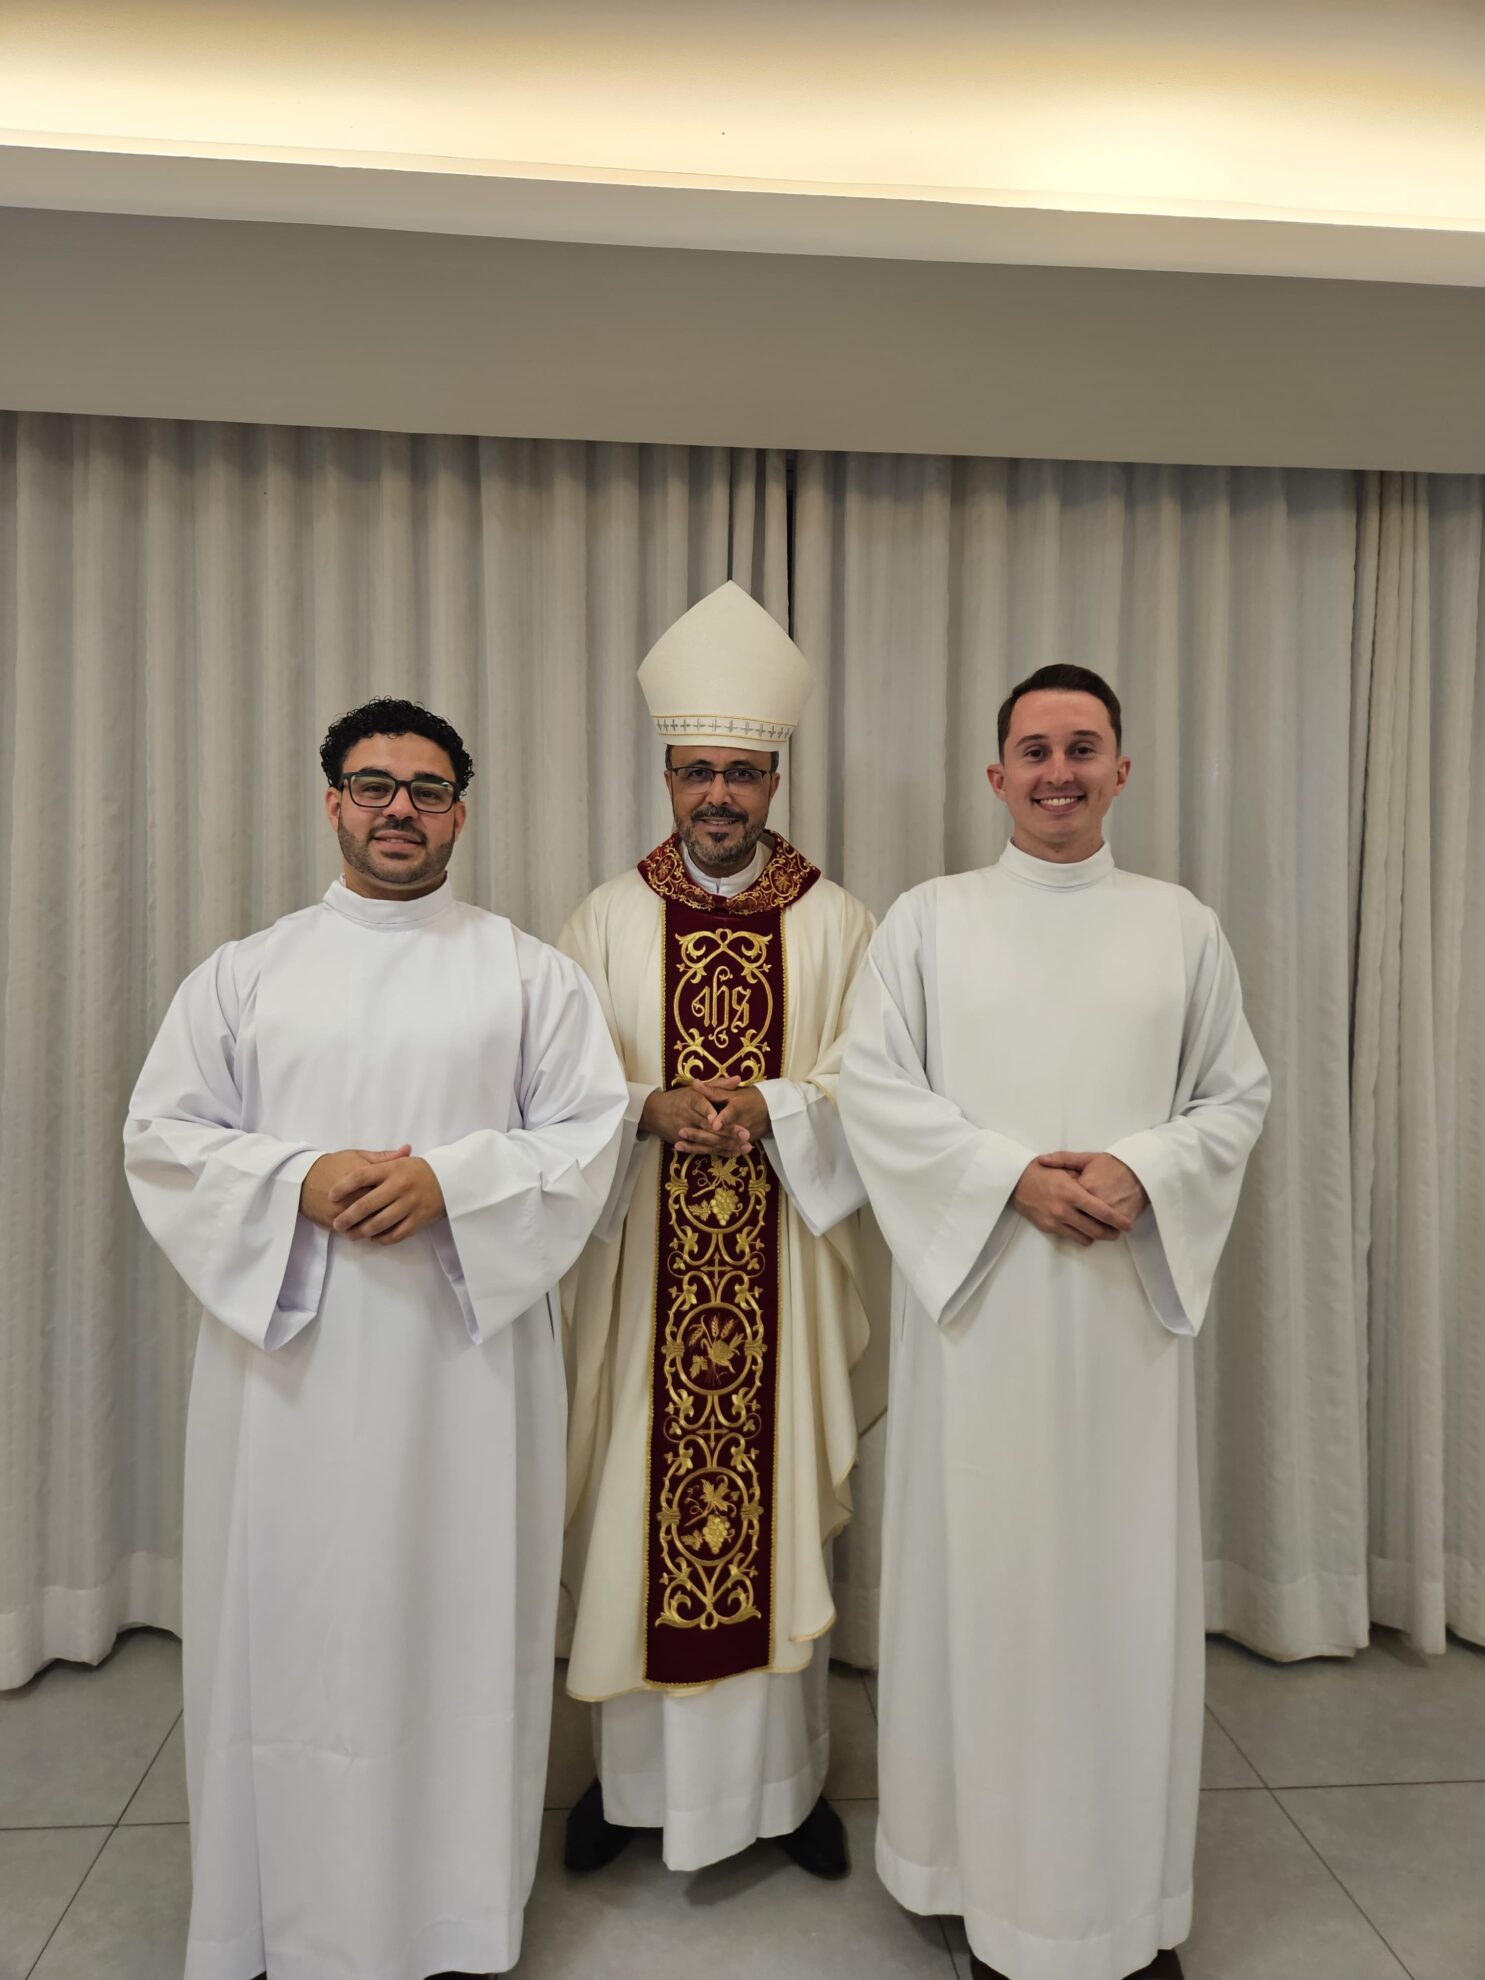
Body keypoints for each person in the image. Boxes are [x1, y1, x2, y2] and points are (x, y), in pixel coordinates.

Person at [124, 697, 628, 1980]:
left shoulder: (525, 972)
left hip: (460, 1370)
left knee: (456, 1633)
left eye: (426, 786)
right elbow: (165, 1137)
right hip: (289, 1374)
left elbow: (586, 1136)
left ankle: (453, 1918)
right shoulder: (247, 970)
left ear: (461, 808)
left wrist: (448, 1183)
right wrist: (297, 1177)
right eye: (372, 783)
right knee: (291, 1629)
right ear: (332, 801)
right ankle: (274, 1919)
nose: (398, 806)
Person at [839, 664, 1270, 1980]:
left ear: (1122, 772)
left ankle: (1113, 1906)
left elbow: (1233, 1097)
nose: (1059, 771)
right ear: (996, 776)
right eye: (1034, 749)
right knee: (990, 1597)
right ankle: (980, 1887)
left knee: (1116, 1607)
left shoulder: (1179, 926)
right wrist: (1006, 1179)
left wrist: (1143, 1170)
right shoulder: (927, 922)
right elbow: (872, 1087)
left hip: (1120, 1327)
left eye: (1084, 748)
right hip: (983, 1322)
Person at [558, 581, 880, 1879]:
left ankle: (781, 1791)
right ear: (669, 772)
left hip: (780, 1276)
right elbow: (554, 1090)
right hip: (643, 1274)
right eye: (697, 772)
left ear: (773, 774)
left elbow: (879, 1084)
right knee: (640, 1513)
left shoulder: (839, 923)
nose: (718, 797)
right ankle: (628, 1797)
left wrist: (778, 1105)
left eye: (741, 774)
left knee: (772, 1508)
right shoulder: (602, 921)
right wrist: (646, 1109)